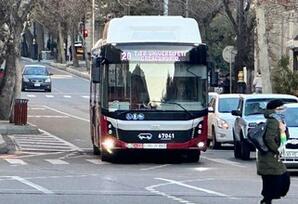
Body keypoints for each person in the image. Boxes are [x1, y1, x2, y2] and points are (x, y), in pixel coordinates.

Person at [257, 99, 290, 204]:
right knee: (274, 180)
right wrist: (277, 150)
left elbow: (284, 137)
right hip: (269, 157)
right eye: (281, 108)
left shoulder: (278, 120)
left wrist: (284, 129)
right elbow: (269, 138)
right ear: (275, 109)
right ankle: (266, 201)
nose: (283, 111)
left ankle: (266, 200)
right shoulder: (273, 121)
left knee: (274, 180)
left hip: (273, 157)